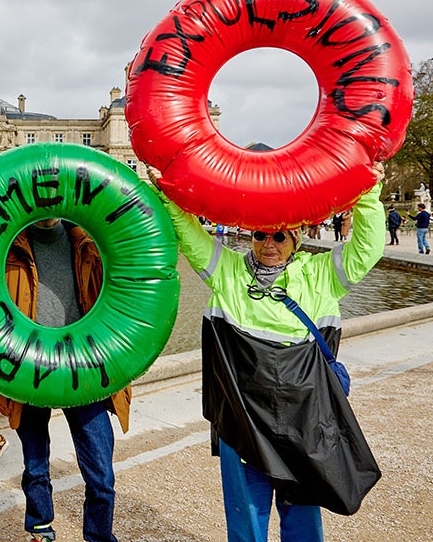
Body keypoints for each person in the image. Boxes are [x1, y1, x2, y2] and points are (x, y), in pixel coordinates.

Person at [147, 162, 386, 542]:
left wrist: (369, 190)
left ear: (297, 241)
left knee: (303, 520)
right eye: (260, 235)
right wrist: (164, 188)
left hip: (305, 421)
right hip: (243, 421)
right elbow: (189, 234)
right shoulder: (226, 270)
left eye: (279, 237)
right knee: (247, 518)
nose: (268, 245)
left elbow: (368, 247)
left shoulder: (323, 274)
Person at [0, 219, 130, 542]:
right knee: (36, 463)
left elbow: (126, 277)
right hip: (29, 366)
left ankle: (98, 535)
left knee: (101, 474)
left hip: (81, 366)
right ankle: (40, 528)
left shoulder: (86, 239)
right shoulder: (10, 243)